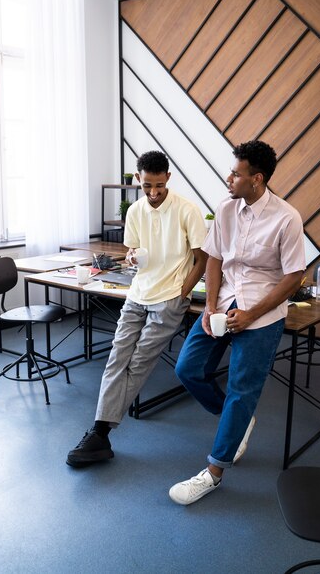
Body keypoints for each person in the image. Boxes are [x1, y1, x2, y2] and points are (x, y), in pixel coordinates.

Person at [169, 140, 305, 506]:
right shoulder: (226, 209)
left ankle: (214, 472)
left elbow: (294, 277)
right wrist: (210, 307)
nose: (228, 178)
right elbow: (214, 259)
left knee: (242, 390)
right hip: (223, 303)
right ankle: (238, 421)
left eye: (236, 173)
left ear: (257, 179)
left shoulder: (286, 217)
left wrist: (250, 315)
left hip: (261, 313)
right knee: (188, 369)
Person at [67, 150, 207, 467]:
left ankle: (99, 432)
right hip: (138, 293)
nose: (153, 193)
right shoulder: (135, 211)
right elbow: (133, 250)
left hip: (169, 298)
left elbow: (202, 259)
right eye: (147, 186)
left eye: (159, 185)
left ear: (168, 178)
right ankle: (100, 436)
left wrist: (182, 292)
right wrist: (131, 258)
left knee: (139, 362)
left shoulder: (188, 211)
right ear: (138, 180)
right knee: (117, 357)